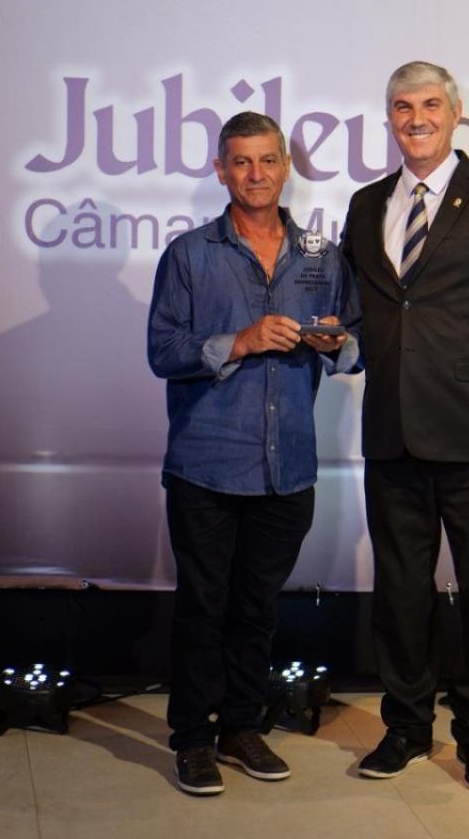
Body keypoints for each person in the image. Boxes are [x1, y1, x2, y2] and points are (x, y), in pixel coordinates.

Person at [341, 61, 469, 792]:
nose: (417, 118)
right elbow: (364, 312)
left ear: (456, 113)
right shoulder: (366, 204)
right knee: (400, 594)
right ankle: (405, 727)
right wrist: (329, 337)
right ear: (389, 118)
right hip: (392, 433)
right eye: (403, 107)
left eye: (430, 104)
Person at [147, 111, 360, 796]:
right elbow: (162, 352)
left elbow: (355, 344)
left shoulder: (322, 256)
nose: (256, 174)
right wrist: (240, 341)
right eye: (241, 162)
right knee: (202, 607)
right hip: (206, 464)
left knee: (257, 607)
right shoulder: (189, 255)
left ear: (286, 167)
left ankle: (241, 727)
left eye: (268, 160)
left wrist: (337, 344)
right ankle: (192, 738)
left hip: (287, 467)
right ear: (221, 170)